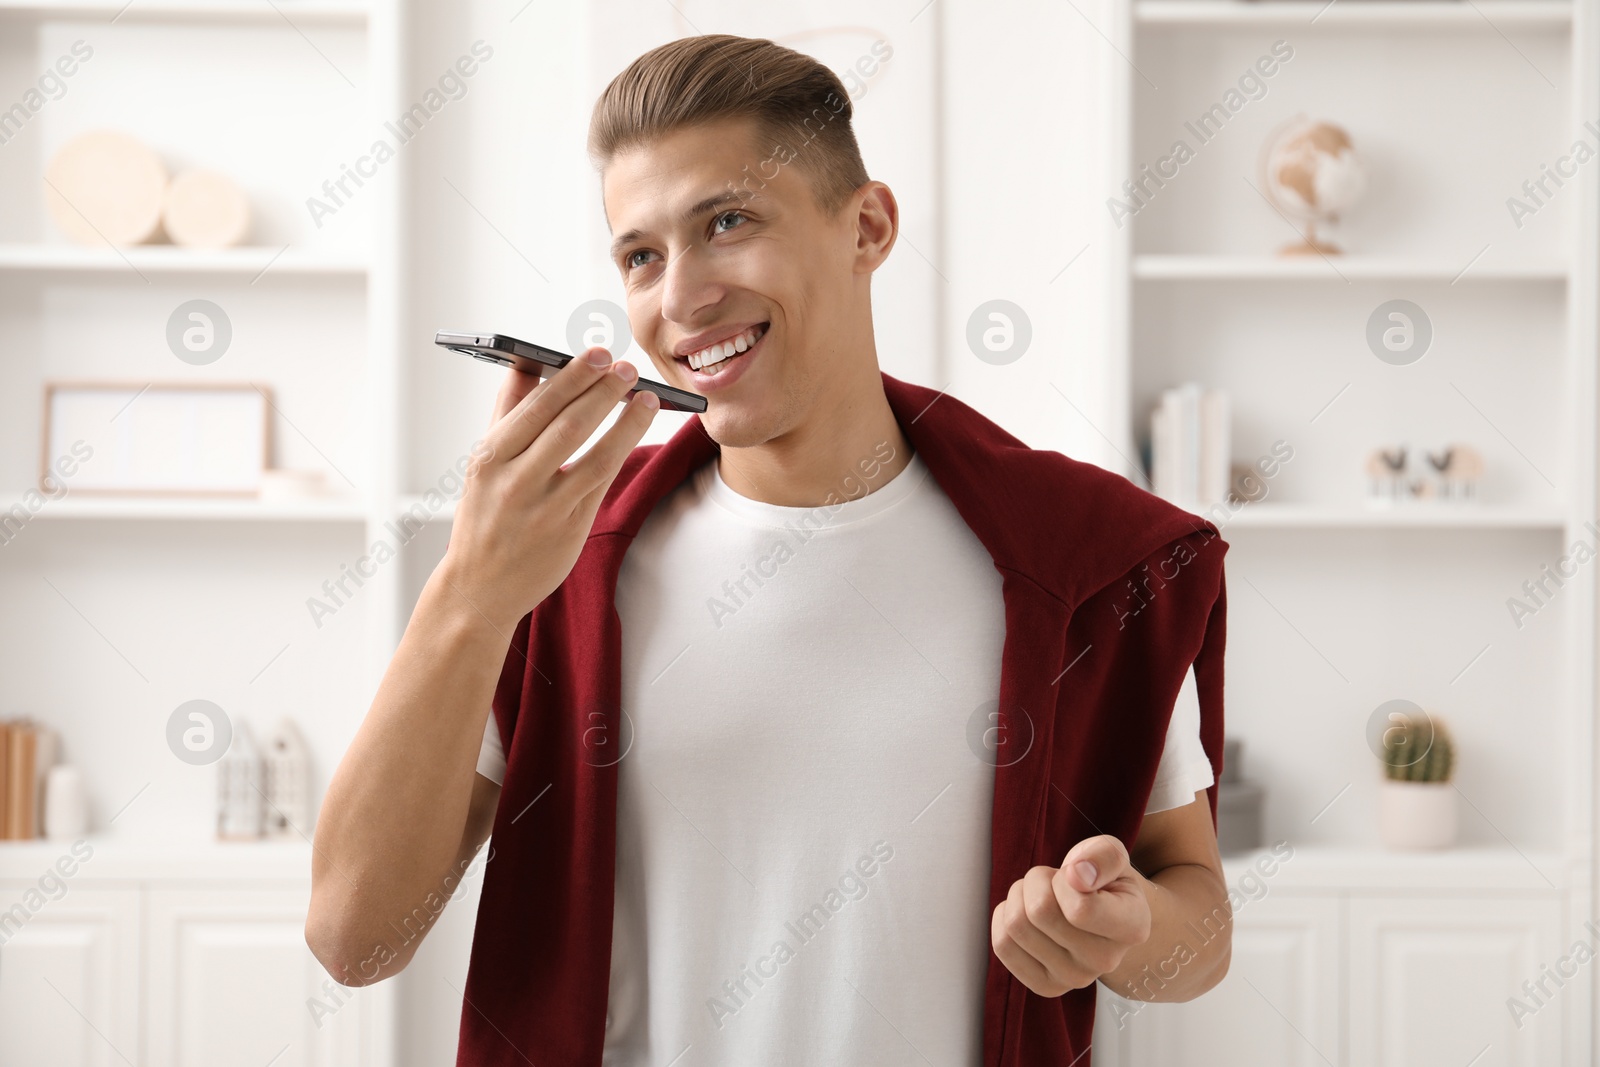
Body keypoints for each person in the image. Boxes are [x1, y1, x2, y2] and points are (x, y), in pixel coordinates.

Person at [307, 33, 1232, 1067]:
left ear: (867, 226)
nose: (684, 299)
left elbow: (1197, 919)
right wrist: (469, 593)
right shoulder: (553, 557)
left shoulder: (1088, 563)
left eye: (729, 222)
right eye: (642, 255)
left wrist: (1128, 928)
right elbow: (355, 936)